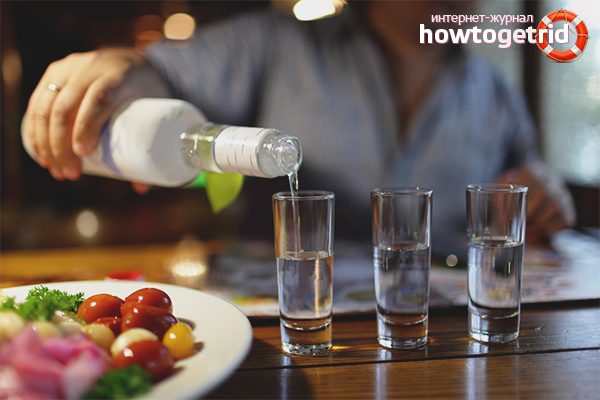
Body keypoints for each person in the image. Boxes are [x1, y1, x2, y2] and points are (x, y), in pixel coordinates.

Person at [22, 1, 575, 262]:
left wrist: (546, 199)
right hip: (281, 325)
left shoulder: (498, 94)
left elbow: (527, 187)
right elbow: (163, 72)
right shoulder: (276, 42)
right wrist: (122, 67)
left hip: (440, 332)